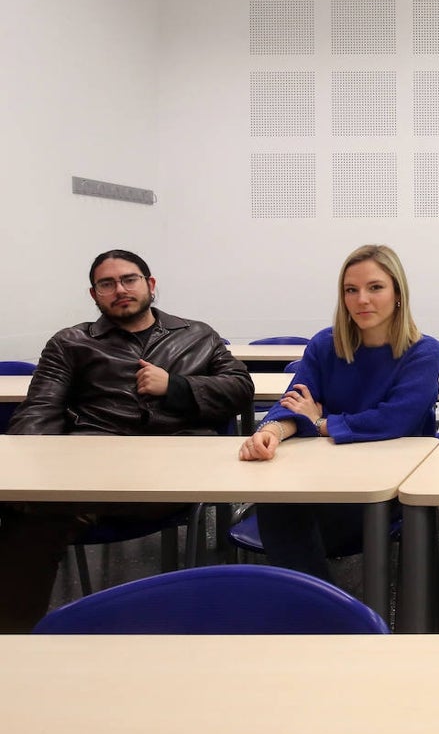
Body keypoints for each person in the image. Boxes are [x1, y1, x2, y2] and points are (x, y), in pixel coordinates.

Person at [1, 249, 253, 631]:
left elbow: (240, 389)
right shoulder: (71, 342)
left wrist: (176, 386)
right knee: (30, 514)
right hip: (92, 464)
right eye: (107, 283)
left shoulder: (197, 335)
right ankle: (14, 647)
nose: (120, 289)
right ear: (94, 294)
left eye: (129, 279)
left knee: (38, 516)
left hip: (170, 470)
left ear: (150, 285)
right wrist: (22, 471)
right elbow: (40, 408)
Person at [238, 244, 439, 583]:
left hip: (388, 486)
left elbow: (395, 420)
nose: (362, 299)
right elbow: (294, 401)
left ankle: (315, 608)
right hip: (325, 478)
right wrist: (271, 431)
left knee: (286, 516)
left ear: (397, 293)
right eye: (351, 290)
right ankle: (313, 612)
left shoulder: (423, 351)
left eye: (375, 287)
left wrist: (319, 423)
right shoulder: (324, 344)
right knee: (276, 498)